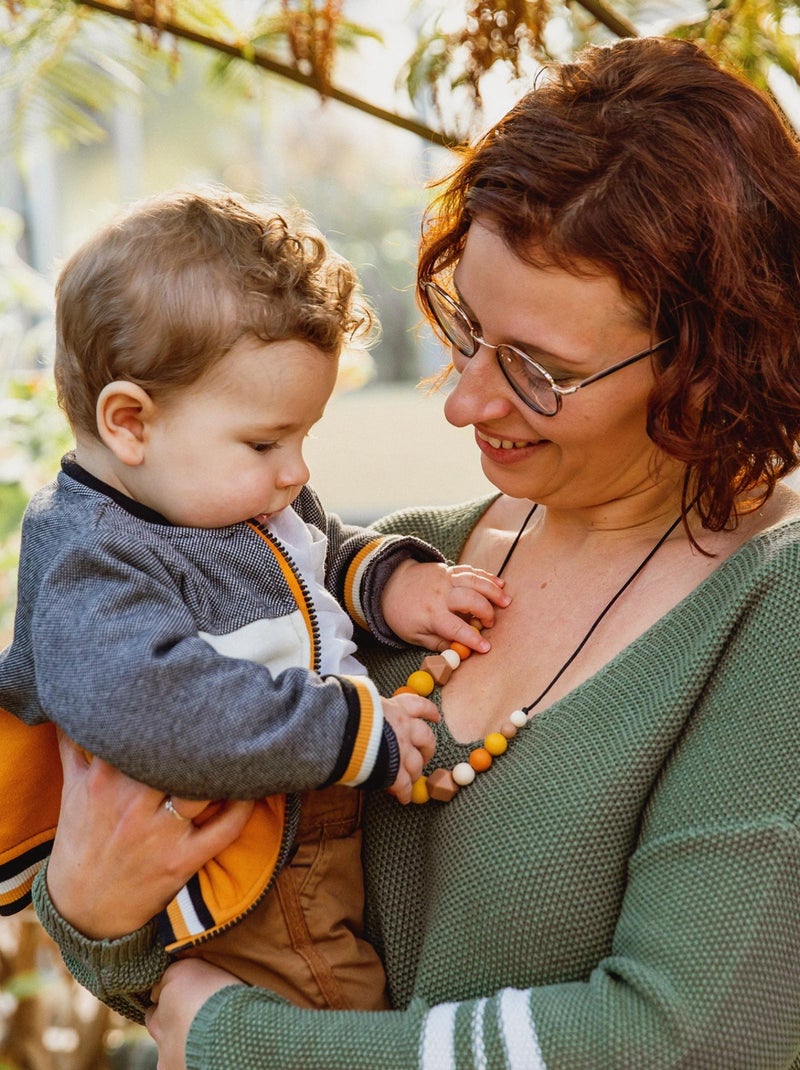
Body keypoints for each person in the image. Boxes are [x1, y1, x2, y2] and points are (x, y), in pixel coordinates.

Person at [29, 33, 800, 1069]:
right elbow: (202, 947)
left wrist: (238, 1041)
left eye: (537, 369)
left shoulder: (770, 607)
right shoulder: (387, 575)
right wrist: (91, 913)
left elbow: (678, 1039)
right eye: (465, 326)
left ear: (711, 365)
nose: (462, 400)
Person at [0, 187, 511, 1010]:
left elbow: (311, 557)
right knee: (334, 1010)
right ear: (130, 422)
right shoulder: (92, 561)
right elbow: (154, 706)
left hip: (293, 835)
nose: (296, 471)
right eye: (267, 441)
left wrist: (392, 582)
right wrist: (351, 727)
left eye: (303, 437)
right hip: (253, 871)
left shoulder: (213, 495)